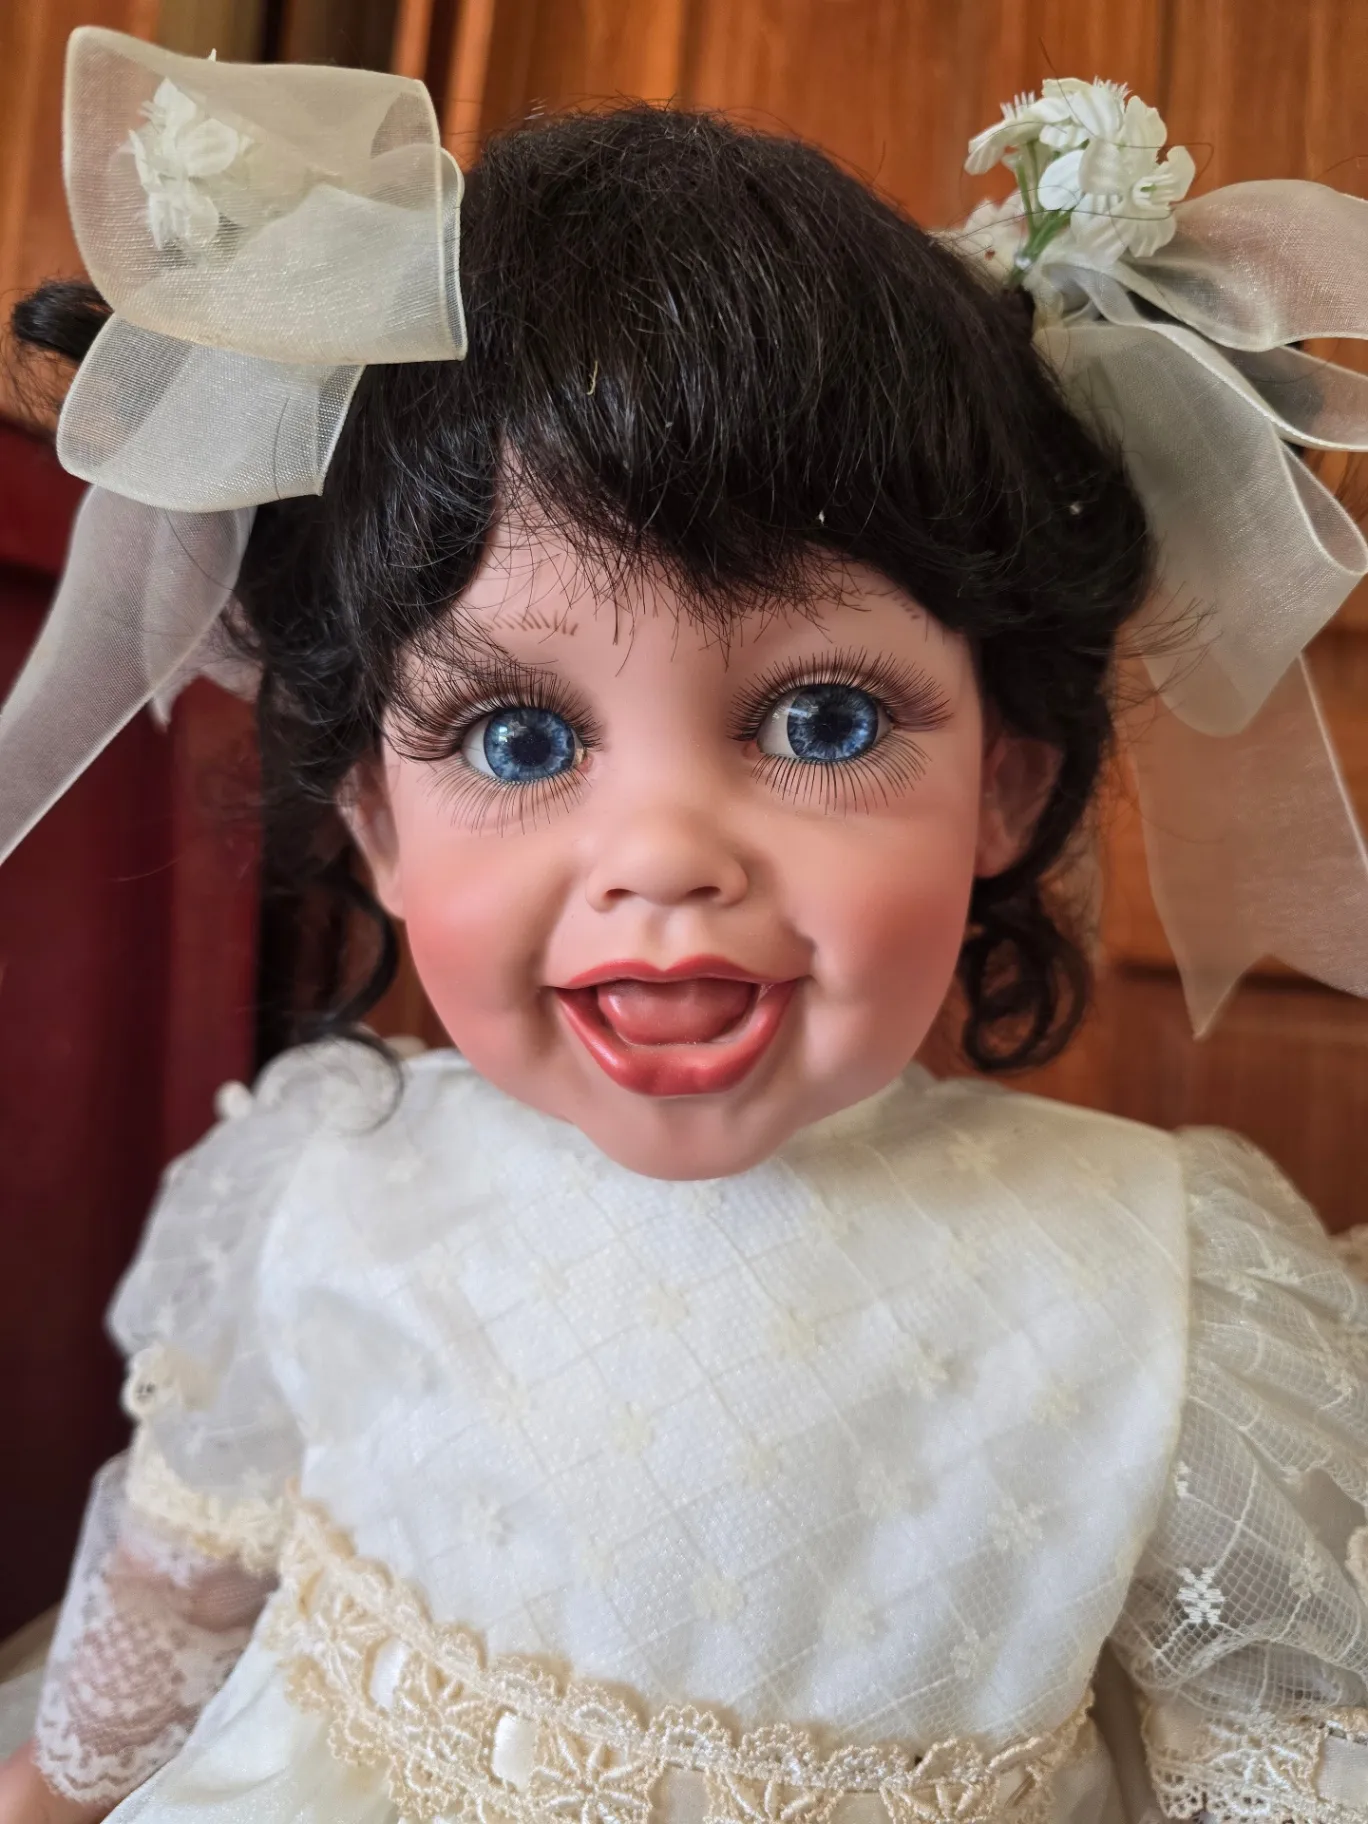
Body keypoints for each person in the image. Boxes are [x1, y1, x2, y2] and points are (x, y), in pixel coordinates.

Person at [2, 32, 1368, 1824]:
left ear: (1005, 790)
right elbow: (178, 1587)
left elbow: (1284, 1756)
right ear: (376, 825)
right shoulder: (323, 1186)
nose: (662, 856)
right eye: (519, 738)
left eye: (822, 720)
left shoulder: (1162, 1293)